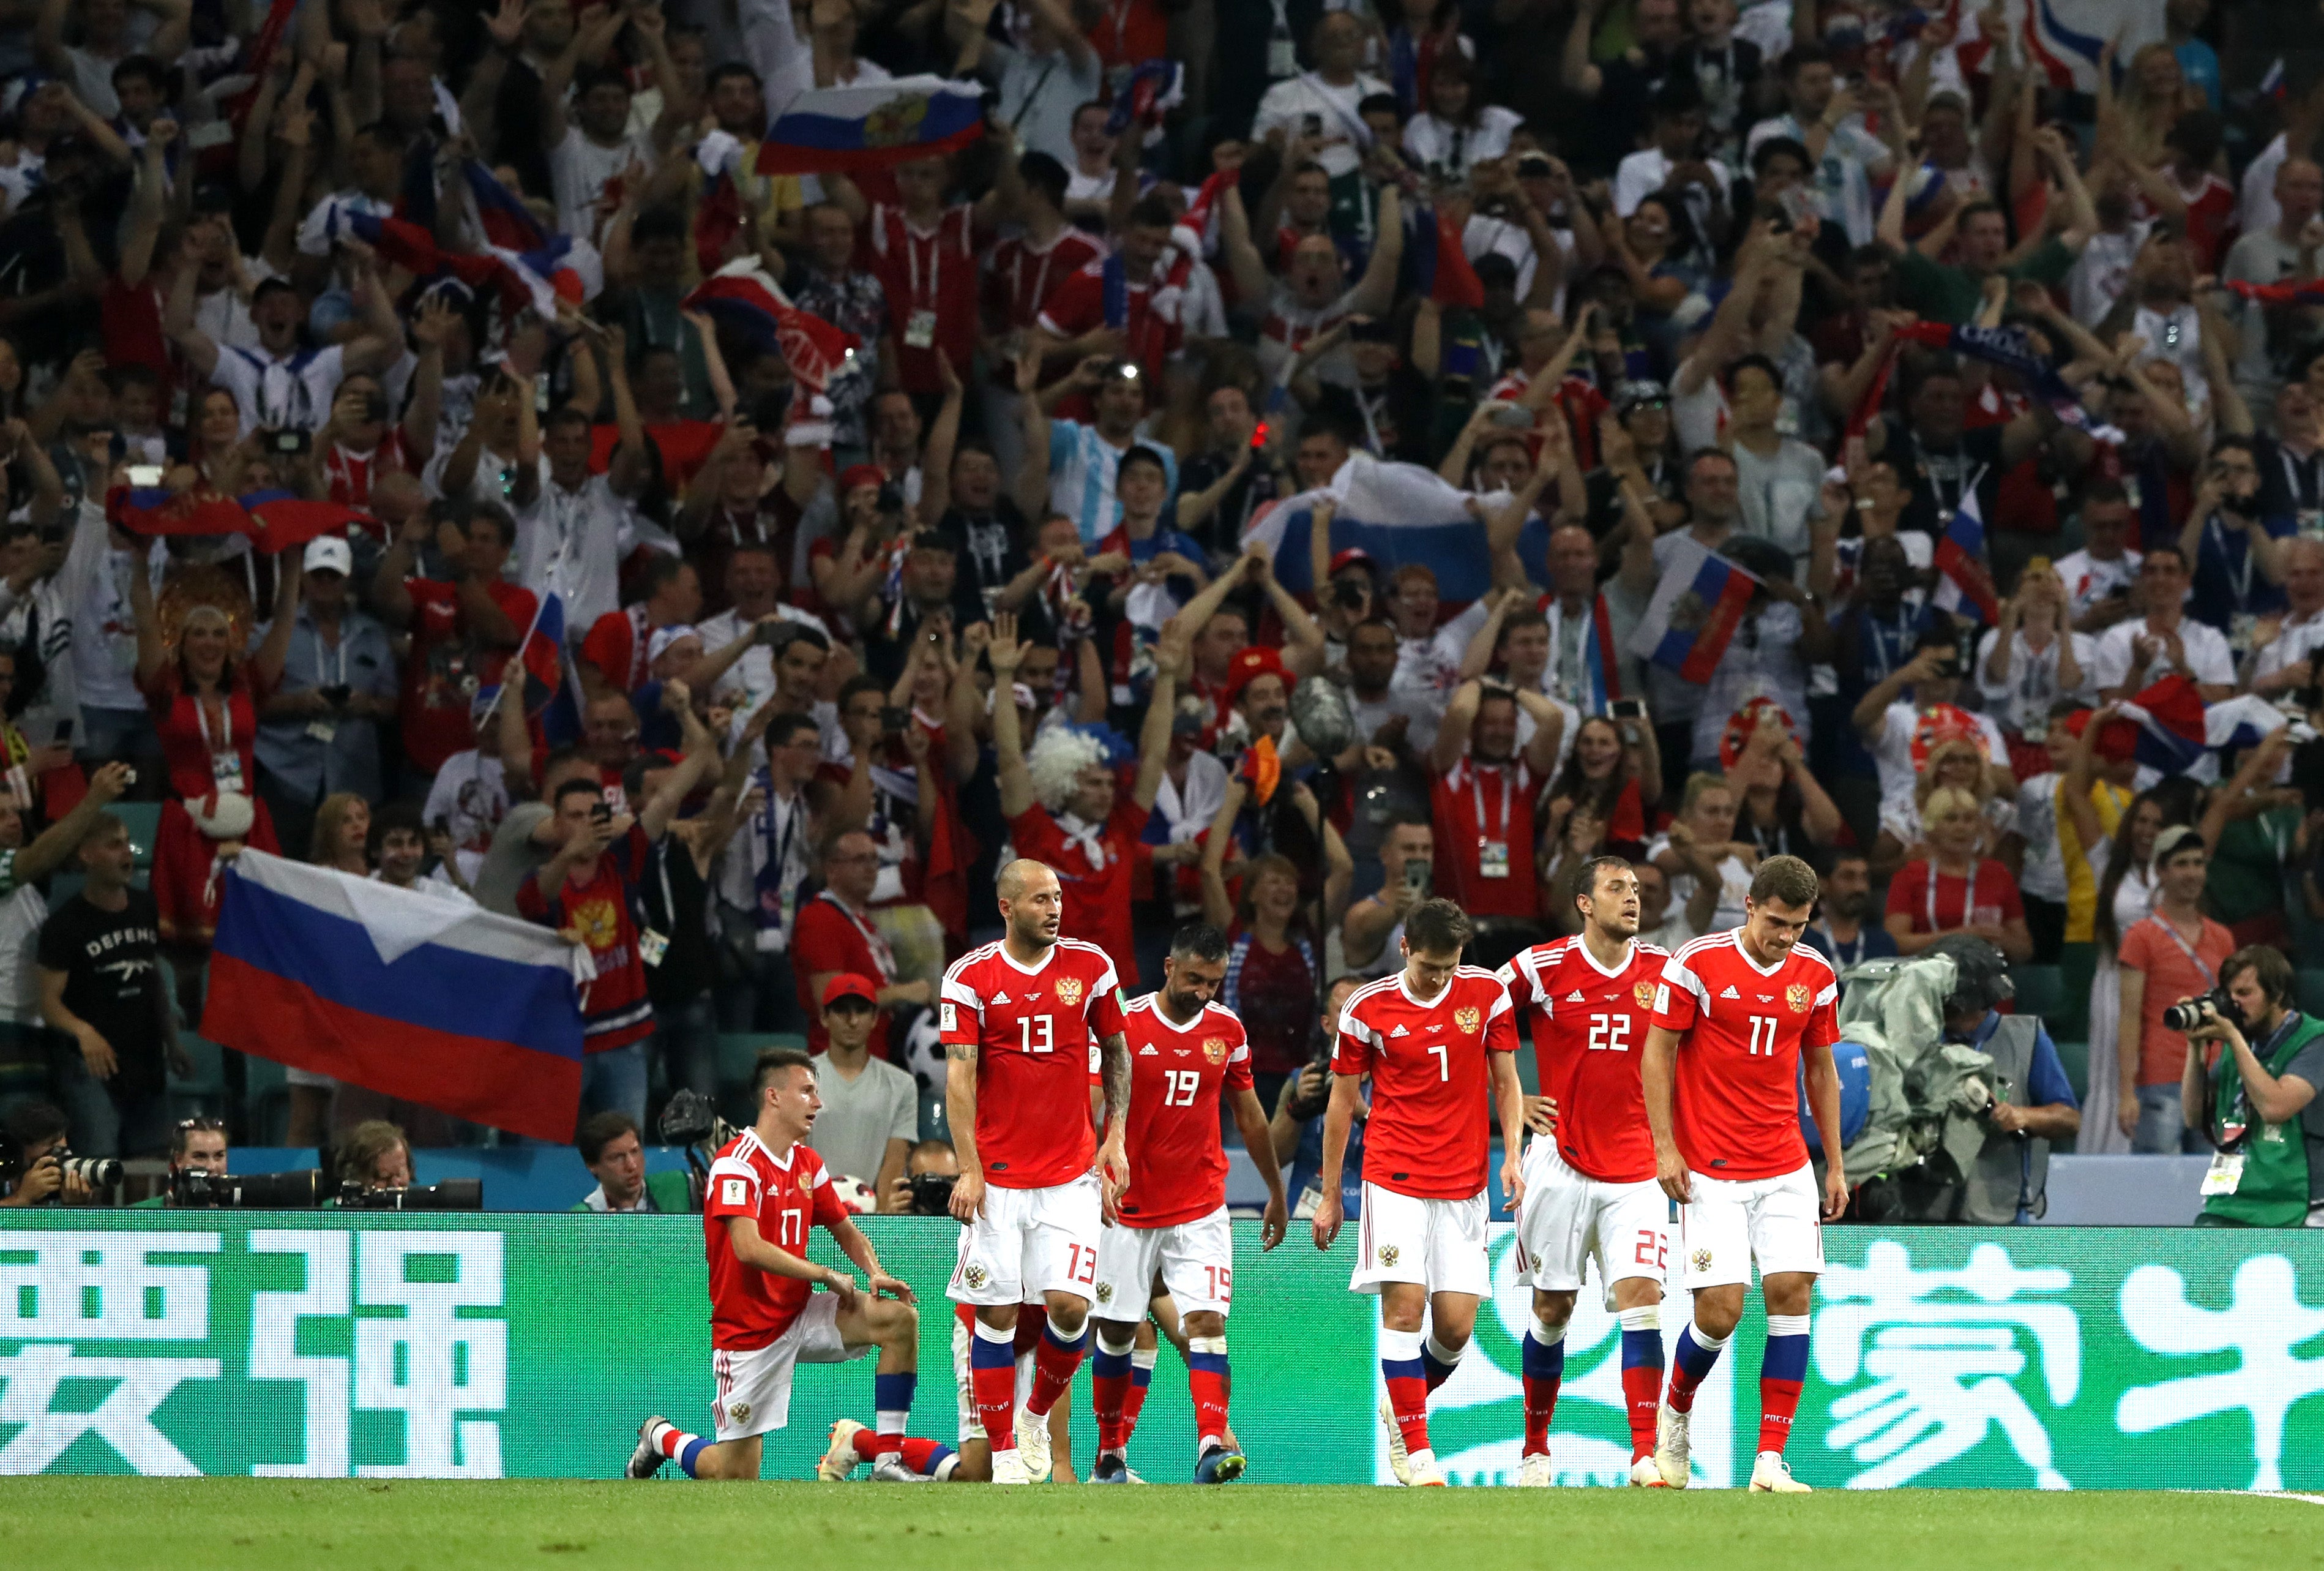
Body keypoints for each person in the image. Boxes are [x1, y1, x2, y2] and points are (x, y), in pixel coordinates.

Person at [627, 1049, 930, 1483]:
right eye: (806, 1091)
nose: (817, 1103)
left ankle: (887, 1461)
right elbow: (748, 1247)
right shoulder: (736, 1163)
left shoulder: (808, 1162)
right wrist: (824, 1274)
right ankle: (661, 1437)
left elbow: (844, 1229)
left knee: (899, 1320)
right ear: (773, 1097)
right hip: (749, 1331)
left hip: (800, 1312)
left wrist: (873, 1271)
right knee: (733, 1475)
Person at [1643, 855, 1846, 1494]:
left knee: (1791, 1296)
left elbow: (1820, 1072)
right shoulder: (1697, 962)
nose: (1785, 937)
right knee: (1721, 1311)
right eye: (1777, 922)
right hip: (1710, 1168)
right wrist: (1663, 1147)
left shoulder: (1813, 975)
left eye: (1799, 925)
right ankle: (1674, 1412)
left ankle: (1769, 1460)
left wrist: (1833, 1163)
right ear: (1751, 904)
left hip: (1784, 1164)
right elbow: (1657, 1054)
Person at [1313, 898, 1525, 1489]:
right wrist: (1332, 1194)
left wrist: (1510, 1154)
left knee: (1455, 1328)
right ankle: (1418, 1451)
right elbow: (1339, 1104)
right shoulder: (1367, 1006)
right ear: (1405, 949)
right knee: (1403, 1308)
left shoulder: (1486, 995)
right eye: (1430, 966)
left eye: (1450, 967)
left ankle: (1401, 1404)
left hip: (1463, 1184)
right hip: (1394, 1178)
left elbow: (1505, 1081)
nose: (1440, 978)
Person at [937, 858, 1130, 1485]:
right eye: (1040, 899)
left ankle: (1033, 1415)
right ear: (1006, 907)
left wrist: (1115, 1138)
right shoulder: (969, 977)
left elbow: (1118, 1050)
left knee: (1071, 1309)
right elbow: (959, 1078)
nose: (1054, 909)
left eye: (1057, 899)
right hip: (997, 1178)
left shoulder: (1091, 967)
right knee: (993, 1315)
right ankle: (1000, 1453)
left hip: (1069, 1175)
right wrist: (968, 1169)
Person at [1089, 922, 1288, 1485]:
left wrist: (1275, 1190)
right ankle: (1110, 1454)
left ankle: (1209, 1445)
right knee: (1118, 1333)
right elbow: (1089, 1106)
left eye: (1215, 982)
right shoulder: (1122, 1023)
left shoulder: (1226, 1029)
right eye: (1195, 979)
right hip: (1124, 1207)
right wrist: (1092, 1173)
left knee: (1205, 1322)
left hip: (1199, 1205)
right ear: (1169, 968)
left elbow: (1249, 1116)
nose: (1204, 991)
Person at [1496, 857, 1673, 1488]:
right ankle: (1535, 1450)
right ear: (1583, 903)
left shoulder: (1663, 969)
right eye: (1615, 889)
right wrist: (1513, 1105)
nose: (1631, 898)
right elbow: (1474, 1019)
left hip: (1640, 1165)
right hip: (1559, 1160)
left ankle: (1644, 1454)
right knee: (1552, 1306)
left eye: (1635, 889)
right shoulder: (1539, 967)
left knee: (1643, 1300)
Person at [37, 812, 185, 1159]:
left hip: (146, 1059)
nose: (127, 854)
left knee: (153, 1168)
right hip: (92, 1069)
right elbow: (47, 1002)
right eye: (114, 845)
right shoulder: (65, 925)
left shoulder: (145, 907)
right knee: (100, 1165)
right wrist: (84, 1032)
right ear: (87, 855)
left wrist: (173, 1042)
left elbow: (153, 978)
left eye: (128, 844)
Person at [1932, 938, 2082, 1223]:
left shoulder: (2027, 1037)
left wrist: (2021, 1116)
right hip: (1922, 1209)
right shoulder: (1918, 1039)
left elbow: (2070, 1119)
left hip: (1999, 1212)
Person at [2183, 946, 2324, 1227]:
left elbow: (2276, 1107)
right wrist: (2195, 1047)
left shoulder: (2315, 1041)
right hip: (2230, 1199)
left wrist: (2234, 1039)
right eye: (2229, 994)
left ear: (2278, 995)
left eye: (2245, 994)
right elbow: (2193, 1116)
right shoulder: (2240, 1041)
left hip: (2297, 1203)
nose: (2234, 1004)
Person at [2117, 825, 2235, 1155]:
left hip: (2215, 1078)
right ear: (2161, 871)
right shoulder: (2141, 936)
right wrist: (2126, 1092)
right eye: (2182, 863)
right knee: (2155, 1189)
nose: (2192, 872)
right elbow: (2128, 1018)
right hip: (2161, 1078)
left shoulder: (2221, 937)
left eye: (2198, 863)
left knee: (2216, 1186)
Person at [805, 973, 918, 1202]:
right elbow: (795, 1153)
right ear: (824, 1017)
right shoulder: (800, 1079)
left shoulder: (901, 1084)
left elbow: (895, 1160)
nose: (852, 1020)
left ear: (875, 1018)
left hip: (874, 1216)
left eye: (861, 1010)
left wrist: (882, 1217)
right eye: (842, 1010)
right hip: (814, 1213)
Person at [572, 1110, 693, 1213]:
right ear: (592, 1165)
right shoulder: (580, 1221)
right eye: (618, 1158)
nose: (632, 1166)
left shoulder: (680, 1186)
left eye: (635, 1152)